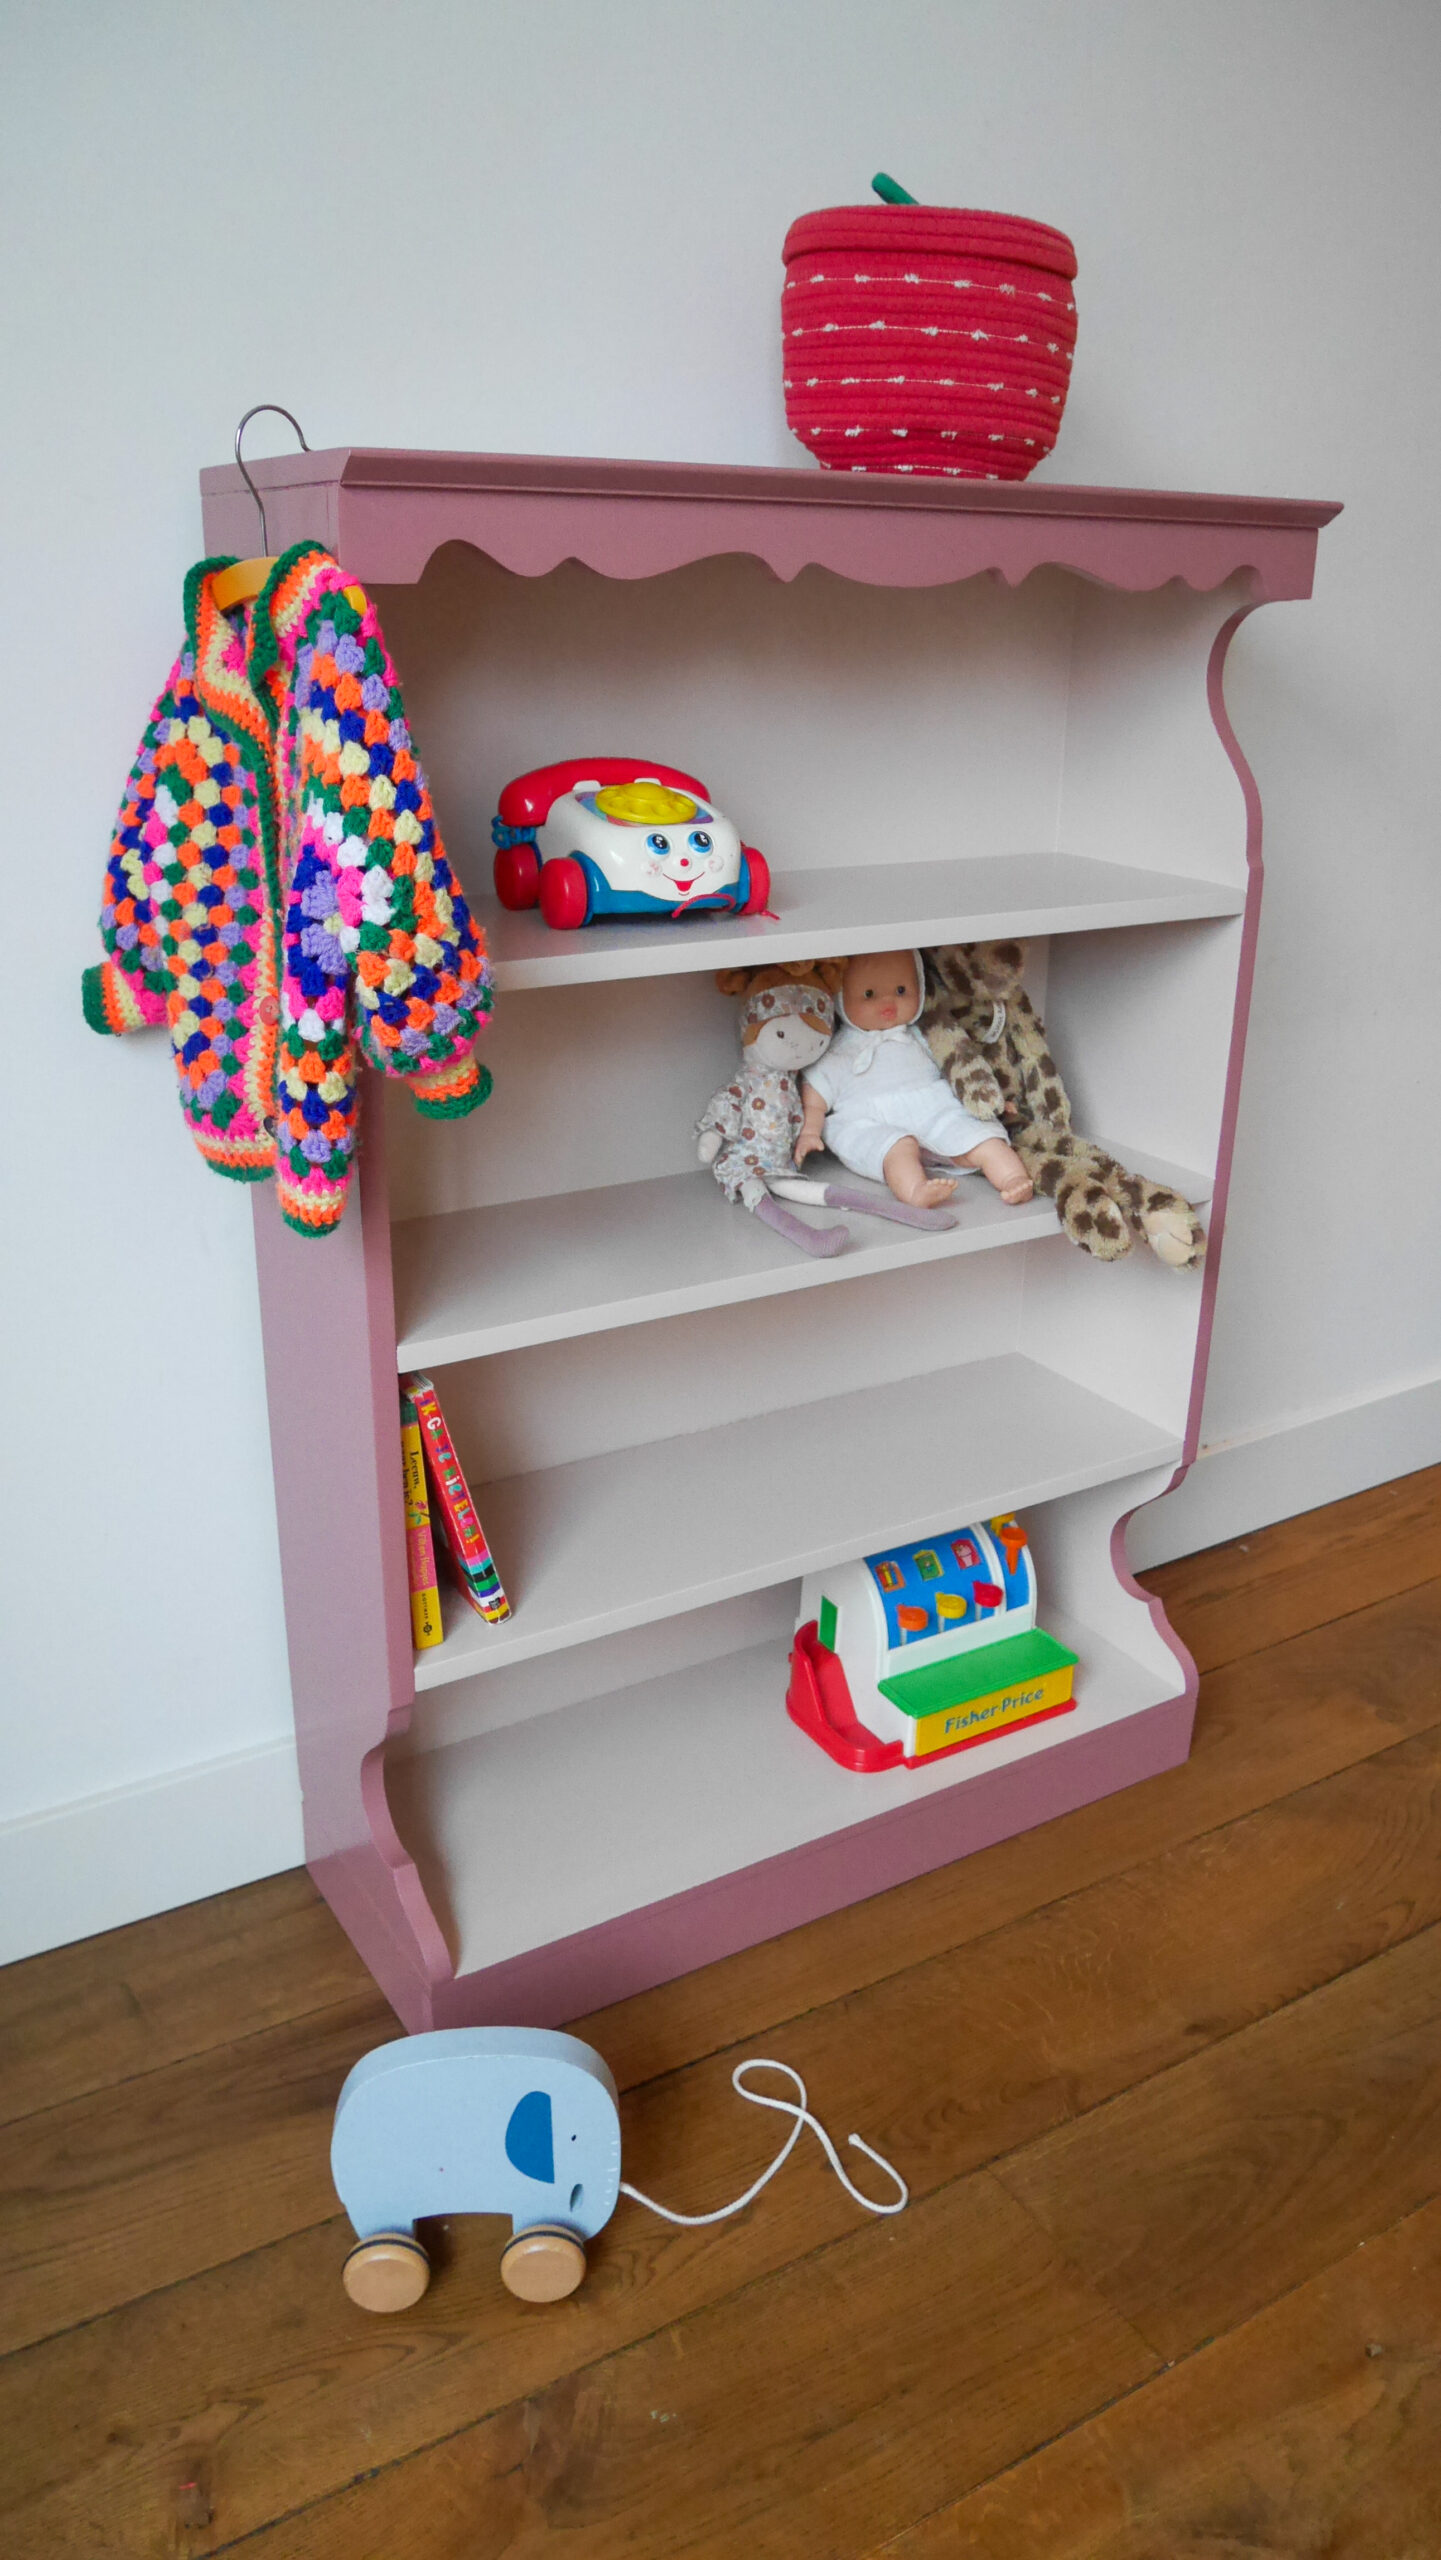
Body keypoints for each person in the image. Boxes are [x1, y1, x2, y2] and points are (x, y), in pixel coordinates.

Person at [796, 949, 1033, 1212]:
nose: (888, 1004)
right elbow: (815, 1100)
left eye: (901, 990)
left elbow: (958, 1069)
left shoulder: (923, 1036)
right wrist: (809, 1132)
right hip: (868, 1119)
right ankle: (915, 1189)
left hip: (932, 1109)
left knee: (982, 1139)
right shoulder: (838, 1052)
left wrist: (995, 1101)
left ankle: (1013, 1178)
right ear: (840, 998)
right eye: (869, 995)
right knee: (897, 1148)